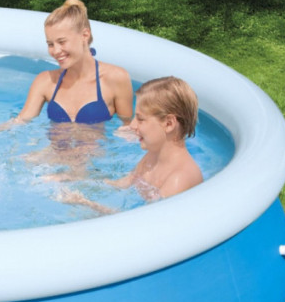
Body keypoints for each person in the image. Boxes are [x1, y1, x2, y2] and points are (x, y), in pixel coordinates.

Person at [0, 0, 133, 136]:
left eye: (62, 42)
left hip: (91, 164)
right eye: (50, 44)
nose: (55, 51)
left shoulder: (115, 78)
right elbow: (19, 122)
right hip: (51, 159)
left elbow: (128, 127)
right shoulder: (46, 81)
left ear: (84, 35)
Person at [60, 76, 203, 212]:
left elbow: (144, 223)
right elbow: (122, 184)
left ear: (169, 124)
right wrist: (79, 180)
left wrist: (86, 203)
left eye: (140, 119)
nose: (132, 125)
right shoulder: (152, 157)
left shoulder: (178, 180)